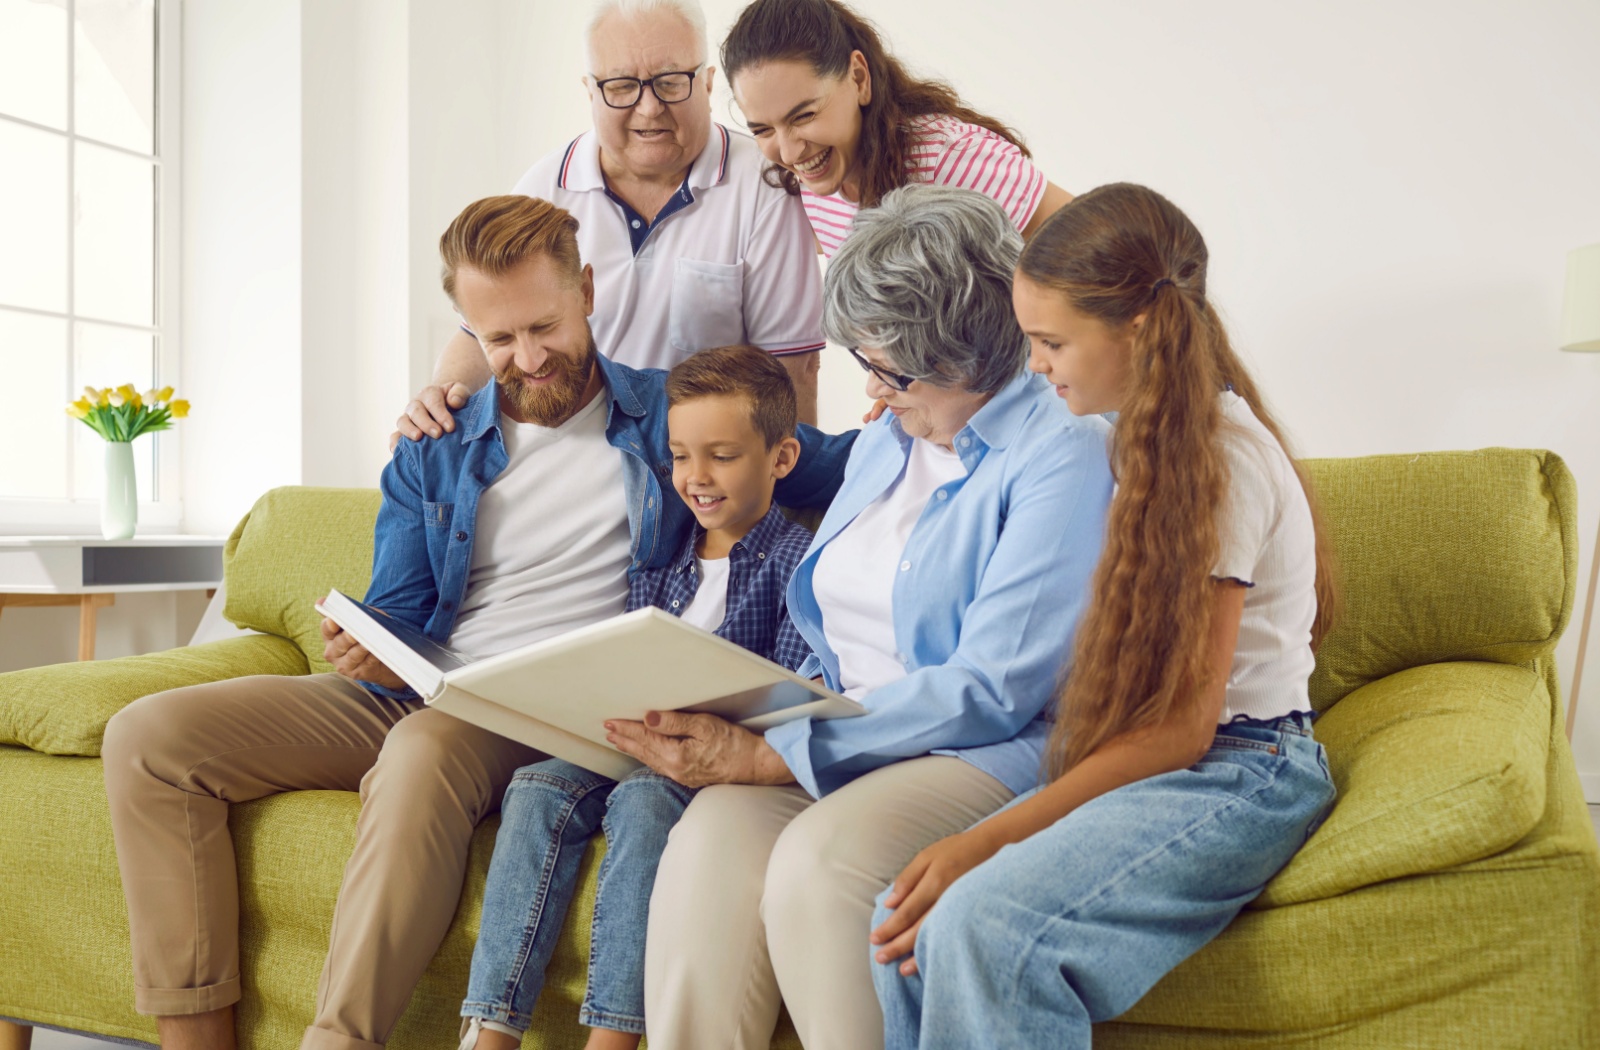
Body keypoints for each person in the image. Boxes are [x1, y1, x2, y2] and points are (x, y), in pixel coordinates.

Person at [99, 195, 852, 1050]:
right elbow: (405, 609)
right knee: (148, 739)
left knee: (423, 749)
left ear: (589, 293)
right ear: (466, 329)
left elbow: (857, 457)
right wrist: (371, 644)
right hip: (433, 683)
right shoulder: (440, 441)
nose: (528, 358)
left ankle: (339, 1040)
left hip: (554, 713)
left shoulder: (670, 421)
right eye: (499, 339)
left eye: (545, 325)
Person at [602, 184, 1115, 1050]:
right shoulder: (892, 431)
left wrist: (782, 750)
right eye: (867, 363)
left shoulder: (1060, 453)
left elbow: (993, 687)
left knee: (819, 865)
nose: (871, 389)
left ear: (966, 356)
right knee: (703, 851)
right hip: (838, 724)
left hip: (979, 749)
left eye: (891, 369)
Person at [867, 182, 1340, 1050]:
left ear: (1141, 330)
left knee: (986, 929)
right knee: (901, 918)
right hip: (1162, 760)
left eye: (1051, 342)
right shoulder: (1116, 438)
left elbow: (1182, 730)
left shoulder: (1222, 463)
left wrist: (985, 842)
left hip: (1243, 768)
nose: (1037, 366)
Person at [457, 344, 817, 1050]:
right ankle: (491, 1028)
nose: (697, 478)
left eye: (721, 455)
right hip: (632, 741)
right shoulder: (665, 556)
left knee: (645, 803)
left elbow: (798, 688)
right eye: (681, 456)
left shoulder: (796, 564)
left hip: (708, 767)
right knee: (535, 787)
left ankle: (614, 1036)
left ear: (781, 458)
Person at [397, 0, 826, 446]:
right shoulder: (543, 188)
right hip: (568, 459)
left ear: (708, 83)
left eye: (670, 82)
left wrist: (794, 495)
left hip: (703, 476)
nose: (648, 108)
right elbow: (482, 335)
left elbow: (793, 373)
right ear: (590, 91)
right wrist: (441, 397)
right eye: (621, 86)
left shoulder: (765, 186)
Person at [721, 0, 1074, 258]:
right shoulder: (814, 184)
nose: (789, 152)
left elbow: (1101, 246)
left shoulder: (947, 158)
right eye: (764, 129)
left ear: (858, 78)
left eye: (803, 116)